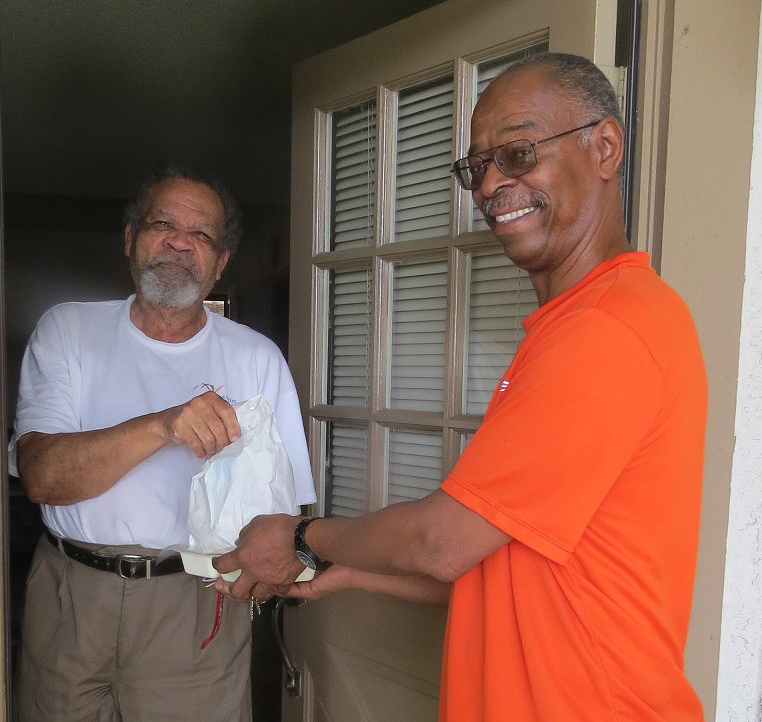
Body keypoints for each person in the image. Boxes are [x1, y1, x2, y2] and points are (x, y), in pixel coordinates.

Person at [213, 53, 708, 722]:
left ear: (604, 148)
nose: (490, 184)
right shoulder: (572, 328)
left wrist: (302, 538)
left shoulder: (606, 330)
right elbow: (500, 560)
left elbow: (440, 540)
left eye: (518, 151)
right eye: (478, 166)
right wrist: (355, 571)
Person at [8, 165, 316, 722]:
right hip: (71, 595)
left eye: (201, 236)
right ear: (130, 239)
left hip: (195, 599)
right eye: (163, 224)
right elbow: (41, 477)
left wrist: (268, 570)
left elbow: (283, 513)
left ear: (220, 263)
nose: (179, 242)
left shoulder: (256, 358)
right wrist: (163, 426)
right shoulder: (67, 331)